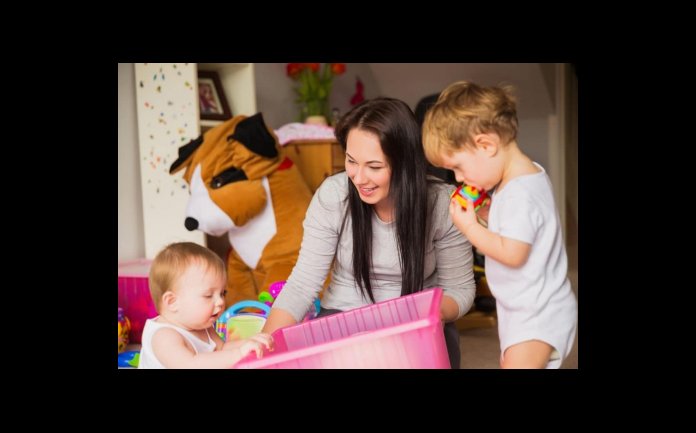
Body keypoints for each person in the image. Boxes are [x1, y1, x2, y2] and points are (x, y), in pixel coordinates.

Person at [262, 97, 477, 368]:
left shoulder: (442, 204)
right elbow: (303, 284)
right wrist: (263, 348)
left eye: (374, 167)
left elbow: (460, 289)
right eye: (351, 161)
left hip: (417, 325)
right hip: (343, 318)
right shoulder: (334, 195)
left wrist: (421, 316)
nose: (359, 178)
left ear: (406, 164)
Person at [422, 81, 577, 369]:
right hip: (525, 309)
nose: (457, 179)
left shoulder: (520, 193)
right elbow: (519, 232)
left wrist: (470, 228)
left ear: (487, 145)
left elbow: (514, 253)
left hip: (538, 314)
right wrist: (489, 216)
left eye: (458, 167)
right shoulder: (518, 181)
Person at [139, 242, 273, 369]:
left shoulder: (203, 325)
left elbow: (222, 348)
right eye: (208, 295)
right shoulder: (164, 336)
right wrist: (238, 354)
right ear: (172, 302)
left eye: (222, 293)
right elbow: (190, 366)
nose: (220, 301)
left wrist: (249, 343)